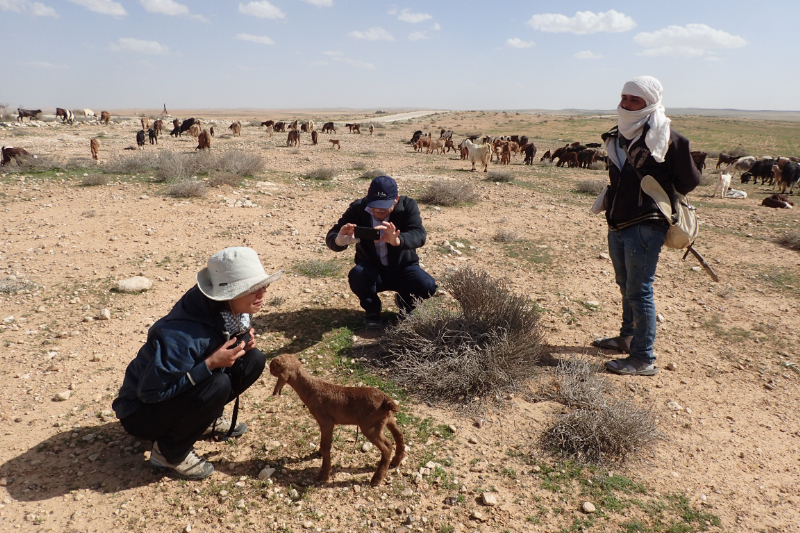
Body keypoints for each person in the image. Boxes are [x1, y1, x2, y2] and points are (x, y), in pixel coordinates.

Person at [112, 247, 282, 479]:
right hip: (141, 414)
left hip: (169, 397)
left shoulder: (226, 308)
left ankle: (204, 418)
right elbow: (151, 393)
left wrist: (242, 340)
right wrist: (210, 364)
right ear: (230, 293)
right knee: (218, 383)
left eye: (264, 285)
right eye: (253, 289)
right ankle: (169, 452)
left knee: (253, 359)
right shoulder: (184, 336)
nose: (262, 293)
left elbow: (219, 338)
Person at [593, 76, 701, 376]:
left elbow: (689, 181)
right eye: (624, 97)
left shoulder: (668, 138)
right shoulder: (618, 134)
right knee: (625, 283)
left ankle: (643, 357)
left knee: (639, 290)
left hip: (646, 223)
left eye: (634, 99)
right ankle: (628, 337)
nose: (626, 104)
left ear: (650, 102)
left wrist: (655, 194)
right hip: (617, 219)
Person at [326, 175, 437, 327]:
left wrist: (397, 240)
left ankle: (406, 304)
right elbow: (332, 236)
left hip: (403, 268)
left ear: (396, 199)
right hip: (371, 269)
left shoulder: (408, 205)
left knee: (427, 286)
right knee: (357, 276)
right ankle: (372, 310)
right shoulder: (358, 208)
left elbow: (419, 234)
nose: (378, 210)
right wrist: (340, 240)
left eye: (384, 206)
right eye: (375, 205)